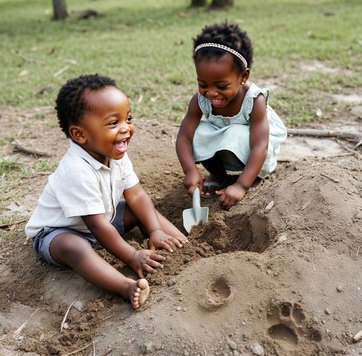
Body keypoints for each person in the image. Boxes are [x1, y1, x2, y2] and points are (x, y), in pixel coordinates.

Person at [25, 74, 188, 309]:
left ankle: (180, 244)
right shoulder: (76, 171)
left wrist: (154, 230)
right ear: (80, 134)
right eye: (114, 123)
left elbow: (137, 195)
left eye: (128, 118)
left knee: (139, 209)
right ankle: (125, 286)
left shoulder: (114, 153)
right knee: (75, 247)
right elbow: (97, 226)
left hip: (105, 219)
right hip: (60, 233)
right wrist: (132, 256)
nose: (126, 129)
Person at [176, 22, 287, 210]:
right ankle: (219, 175)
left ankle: (251, 178)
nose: (211, 93)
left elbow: (260, 145)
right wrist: (190, 170)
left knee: (236, 132)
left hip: (254, 147)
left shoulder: (254, 100)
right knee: (197, 132)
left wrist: (241, 186)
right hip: (226, 139)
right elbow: (184, 138)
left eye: (221, 86)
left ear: (243, 77)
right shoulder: (199, 100)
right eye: (203, 84)